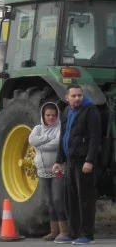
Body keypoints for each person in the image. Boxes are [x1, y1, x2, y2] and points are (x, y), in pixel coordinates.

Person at [53, 84, 101, 245]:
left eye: (79, 95)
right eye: (73, 96)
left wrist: (90, 160)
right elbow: (63, 136)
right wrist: (59, 160)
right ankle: (73, 233)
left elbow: (95, 138)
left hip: (83, 163)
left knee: (85, 200)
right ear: (67, 97)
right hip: (70, 162)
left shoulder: (91, 111)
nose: (77, 98)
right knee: (71, 199)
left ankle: (87, 235)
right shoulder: (67, 112)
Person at [28, 102, 68, 242]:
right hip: (42, 171)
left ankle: (64, 231)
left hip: (58, 169)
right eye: (48, 115)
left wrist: (40, 144)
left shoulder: (60, 128)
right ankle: (54, 230)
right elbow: (32, 140)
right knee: (48, 200)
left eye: (53, 115)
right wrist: (47, 140)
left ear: (57, 116)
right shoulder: (38, 128)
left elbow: (58, 143)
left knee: (58, 199)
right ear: (43, 116)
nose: (51, 118)